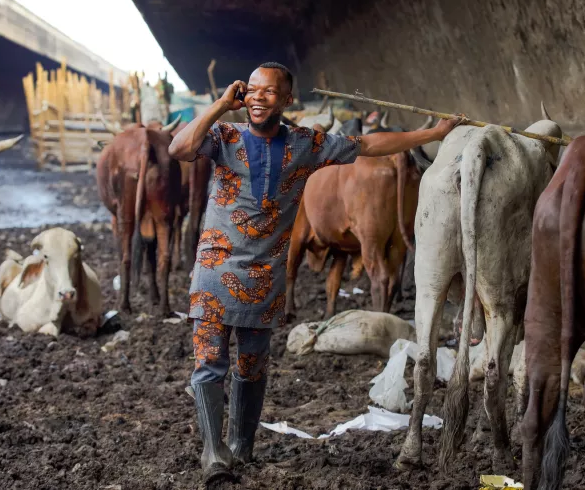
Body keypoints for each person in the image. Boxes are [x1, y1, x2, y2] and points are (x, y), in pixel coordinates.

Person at [168, 62, 464, 482]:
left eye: (268, 92)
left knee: (252, 368)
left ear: (287, 99)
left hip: (265, 278)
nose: (257, 98)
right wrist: (220, 105)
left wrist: (432, 134)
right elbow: (178, 150)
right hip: (214, 274)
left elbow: (370, 144)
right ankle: (213, 452)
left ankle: (242, 447)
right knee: (209, 363)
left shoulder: (307, 144)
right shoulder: (223, 137)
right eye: (251, 90)